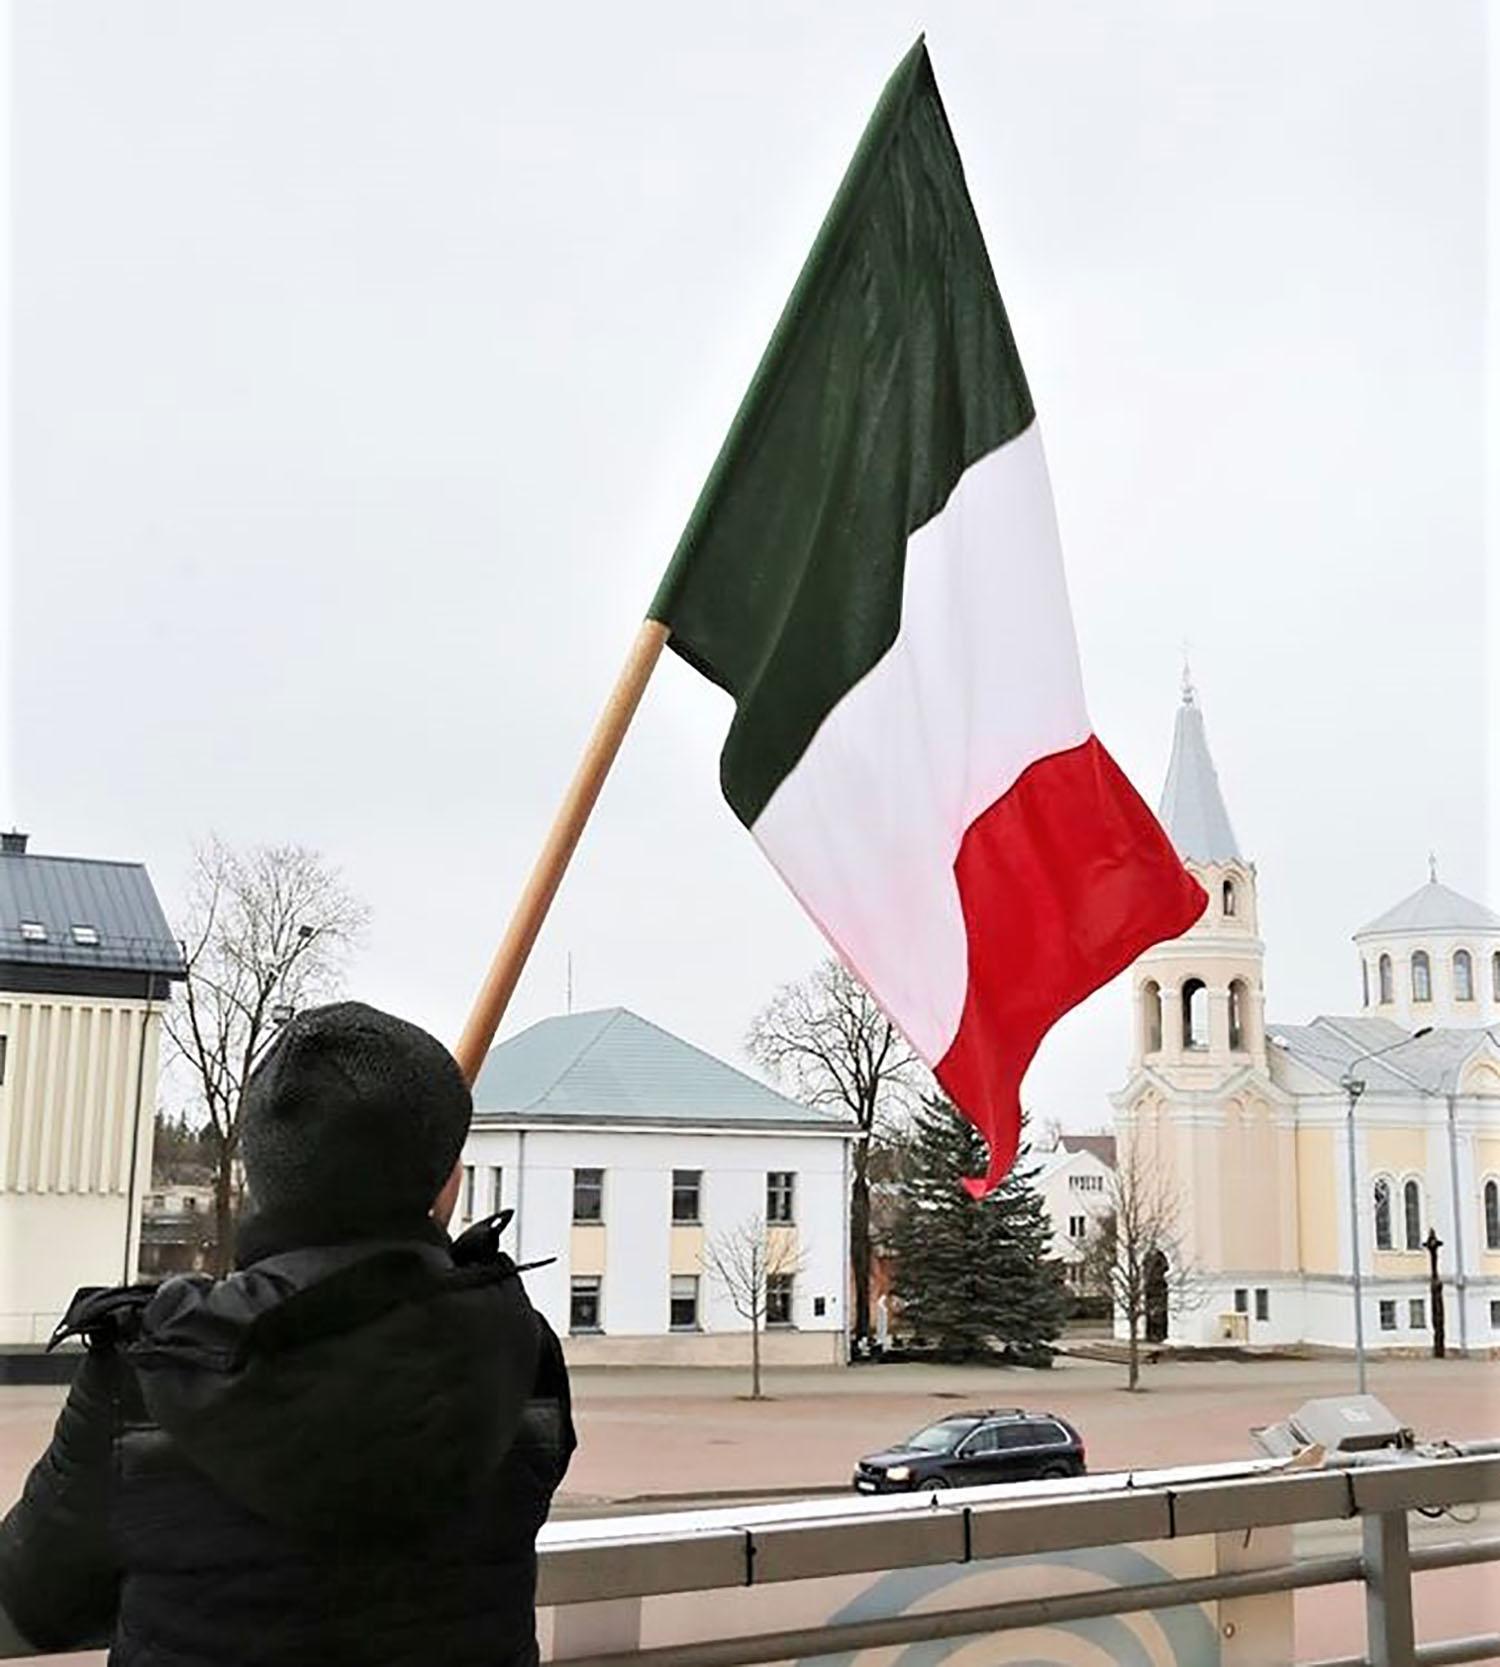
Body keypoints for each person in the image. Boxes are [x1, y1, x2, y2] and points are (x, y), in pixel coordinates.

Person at [0, 1001, 573, 1666]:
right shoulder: (517, 1349)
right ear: (449, 1186)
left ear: (257, 1174)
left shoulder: (154, 1366)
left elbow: (36, 1596)